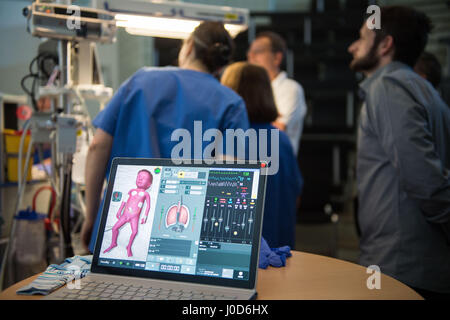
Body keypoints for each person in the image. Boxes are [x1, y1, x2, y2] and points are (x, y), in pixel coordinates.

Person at [81, 21, 250, 254]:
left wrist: (91, 217)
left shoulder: (139, 81)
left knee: (113, 289)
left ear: (188, 47)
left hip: (119, 229)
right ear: (220, 65)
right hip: (185, 233)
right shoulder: (231, 103)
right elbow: (230, 180)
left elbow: (97, 147)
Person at [348, 6, 450, 299]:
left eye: (363, 37)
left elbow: (425, 181)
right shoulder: (424, 88)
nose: (352, 46)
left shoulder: (388, 87)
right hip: (418, 262)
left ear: (385, 44)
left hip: (400, 267)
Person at [221, 61, 303, 248]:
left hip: (241, 259)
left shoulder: (226, 141)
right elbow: (295, 195)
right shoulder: (281, 139)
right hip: (280, 253)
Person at [247, 31, 307, 156]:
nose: (251, 56)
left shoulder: (290, 88)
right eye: (250, 52)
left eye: (258, 51)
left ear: (276, 58)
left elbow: (277, 130)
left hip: (277, 164)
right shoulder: (250, 89)